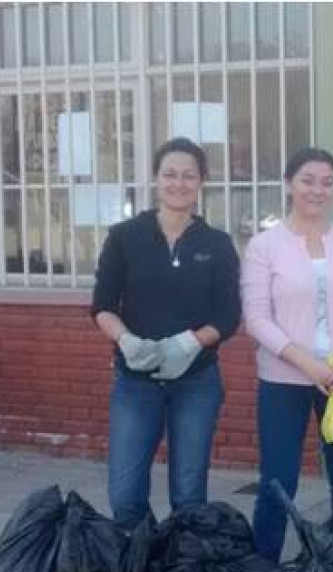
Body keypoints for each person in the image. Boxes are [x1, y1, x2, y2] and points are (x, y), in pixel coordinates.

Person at [242, 147, 333, 561]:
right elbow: (257, 319)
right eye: (307, 180)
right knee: (277, 483)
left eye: (326, 182)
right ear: (289, 184)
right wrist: (309, 365)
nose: (316, 190)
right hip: (284, 381)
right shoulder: (264, 246)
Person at [92, 137, 241, 529]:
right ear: (156, 179)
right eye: (170, 174)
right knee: (124, 496)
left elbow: (229, 314)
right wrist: (126, 340)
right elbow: (103, 305)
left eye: (188, 175)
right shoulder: (125, 237)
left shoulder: (218, 244)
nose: (179, 183)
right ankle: (142, 565)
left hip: (197, 383)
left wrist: (189, 342)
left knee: (188, 497)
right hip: (135, 381)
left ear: (202, 181)